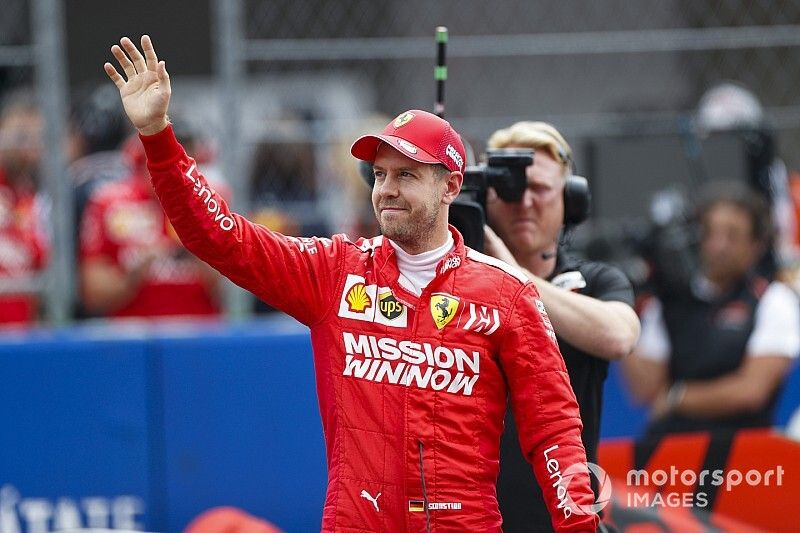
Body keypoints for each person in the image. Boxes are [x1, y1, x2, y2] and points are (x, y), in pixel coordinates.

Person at [104, 35, 599, 531]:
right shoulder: (334, 271)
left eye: (405, 175)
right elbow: (218, 236)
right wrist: (157, 135)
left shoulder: (508, 294)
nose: (386, 190)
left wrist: (578, 523)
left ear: (450, 185)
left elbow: (553, 428)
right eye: (380, 175)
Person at [480, 121, 640, 531]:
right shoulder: (456, 285)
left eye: (540, 188)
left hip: (567, 519)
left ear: (571, 200)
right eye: (510, 188)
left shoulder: (597, 282)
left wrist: (510, 274)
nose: (525, 202)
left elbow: (620, 336)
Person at [623, 181, 800, 436]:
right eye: (710, 233)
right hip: (670, 453)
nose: (719, 246)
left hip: (745, 457)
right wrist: (624, 310)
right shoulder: (668, 300)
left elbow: (751, 391)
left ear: (756, 245)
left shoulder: (774, 300)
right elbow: (645, 389)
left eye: (733, 235)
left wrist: (677, 397)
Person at [78, 132, 223, 319]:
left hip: (202, 333)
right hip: (133, 335)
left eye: (184, 162)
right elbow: (94, 293)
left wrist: (198, 254)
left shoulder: (211, 202)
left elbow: (236, 294)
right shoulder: (110, 203)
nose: (176, 169)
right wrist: (136, 271)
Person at [0, 89, 49, 325]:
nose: (27, 148)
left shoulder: (33, 198)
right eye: (21, 137)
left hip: (21, 335)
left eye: (35, 138)